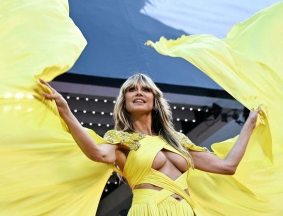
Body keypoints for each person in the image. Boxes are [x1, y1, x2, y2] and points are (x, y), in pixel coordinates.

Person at [40, 73, 261, 215]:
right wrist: (65, 111)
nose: (138, 92)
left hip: (185, 211)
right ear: (124, 102)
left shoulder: (178, 142)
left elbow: (227, 166)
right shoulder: (121, 141)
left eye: (145, 89)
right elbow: (97, 153)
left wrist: (250, 124)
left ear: (155, 101)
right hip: (148, 210)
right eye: (131, 89)